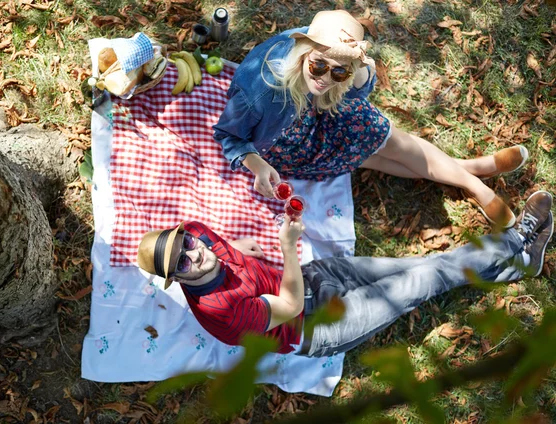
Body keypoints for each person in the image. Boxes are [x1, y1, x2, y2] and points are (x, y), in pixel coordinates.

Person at [212, 10, 529, 228]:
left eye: (339, 71)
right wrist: (258, 165)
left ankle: (473, 175)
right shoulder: (263, 90)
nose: (325, 78)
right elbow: (229, 135)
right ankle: (474, 174)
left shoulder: (332, 73)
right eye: (319, 66)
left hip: (318, 110)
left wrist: (354, 68)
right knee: (371, 156)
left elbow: (354, 96)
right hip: (283, 143)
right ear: (304, 52)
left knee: (388, 139)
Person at [137, 191, 553, 357]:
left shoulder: (196, 236)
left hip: (315, 277)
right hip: (316, 325)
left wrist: (243, 249)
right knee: (430, 278)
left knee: (424, 266)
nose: (195, 253)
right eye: (182, 263)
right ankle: (516, 240)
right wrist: (286, 248)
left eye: (187, 244)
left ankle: (519, 265)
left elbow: (222, 246)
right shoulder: (219, 312)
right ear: (177, 280)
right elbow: (290, 305)